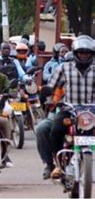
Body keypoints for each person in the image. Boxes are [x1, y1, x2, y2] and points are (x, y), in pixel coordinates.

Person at [35, 35, 94, 180]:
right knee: (53, 130)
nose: (84, 56)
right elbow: (51, 86)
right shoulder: (64, 68)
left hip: (92, 111)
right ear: (75, 54)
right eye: (81, 53)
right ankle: (56, 164)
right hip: (69, 110)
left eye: (87, 53)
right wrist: (46, 95)